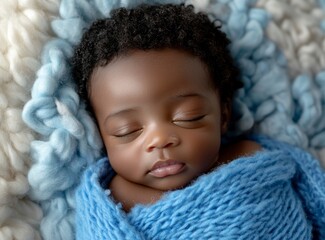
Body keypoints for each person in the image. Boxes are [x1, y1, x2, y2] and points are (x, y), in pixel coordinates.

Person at [72, 3, 325, 239]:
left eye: (188, 116)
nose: (159, 139)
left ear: (223, 116)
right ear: (102, 136)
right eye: (127, 130)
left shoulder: (251, 155)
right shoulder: (114, 196)